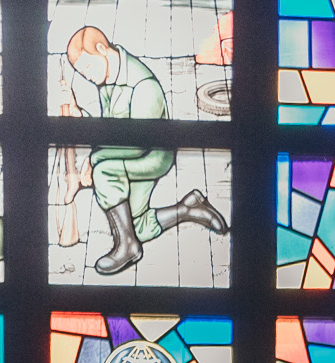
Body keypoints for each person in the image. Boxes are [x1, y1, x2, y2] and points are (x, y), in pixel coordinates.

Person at [64, 25, 229, 275]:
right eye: (81, 72)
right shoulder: (108, 78)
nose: (86, 76)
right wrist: (82, 119)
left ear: (102, 50)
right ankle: (189, 208)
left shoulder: (143, 86)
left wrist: (95, 159)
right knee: (138, 226)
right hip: (131, 151)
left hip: (153, 155)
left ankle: (127, 247)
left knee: (104, 172)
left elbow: (137, 143)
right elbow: (111, 128)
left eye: (88, 67)